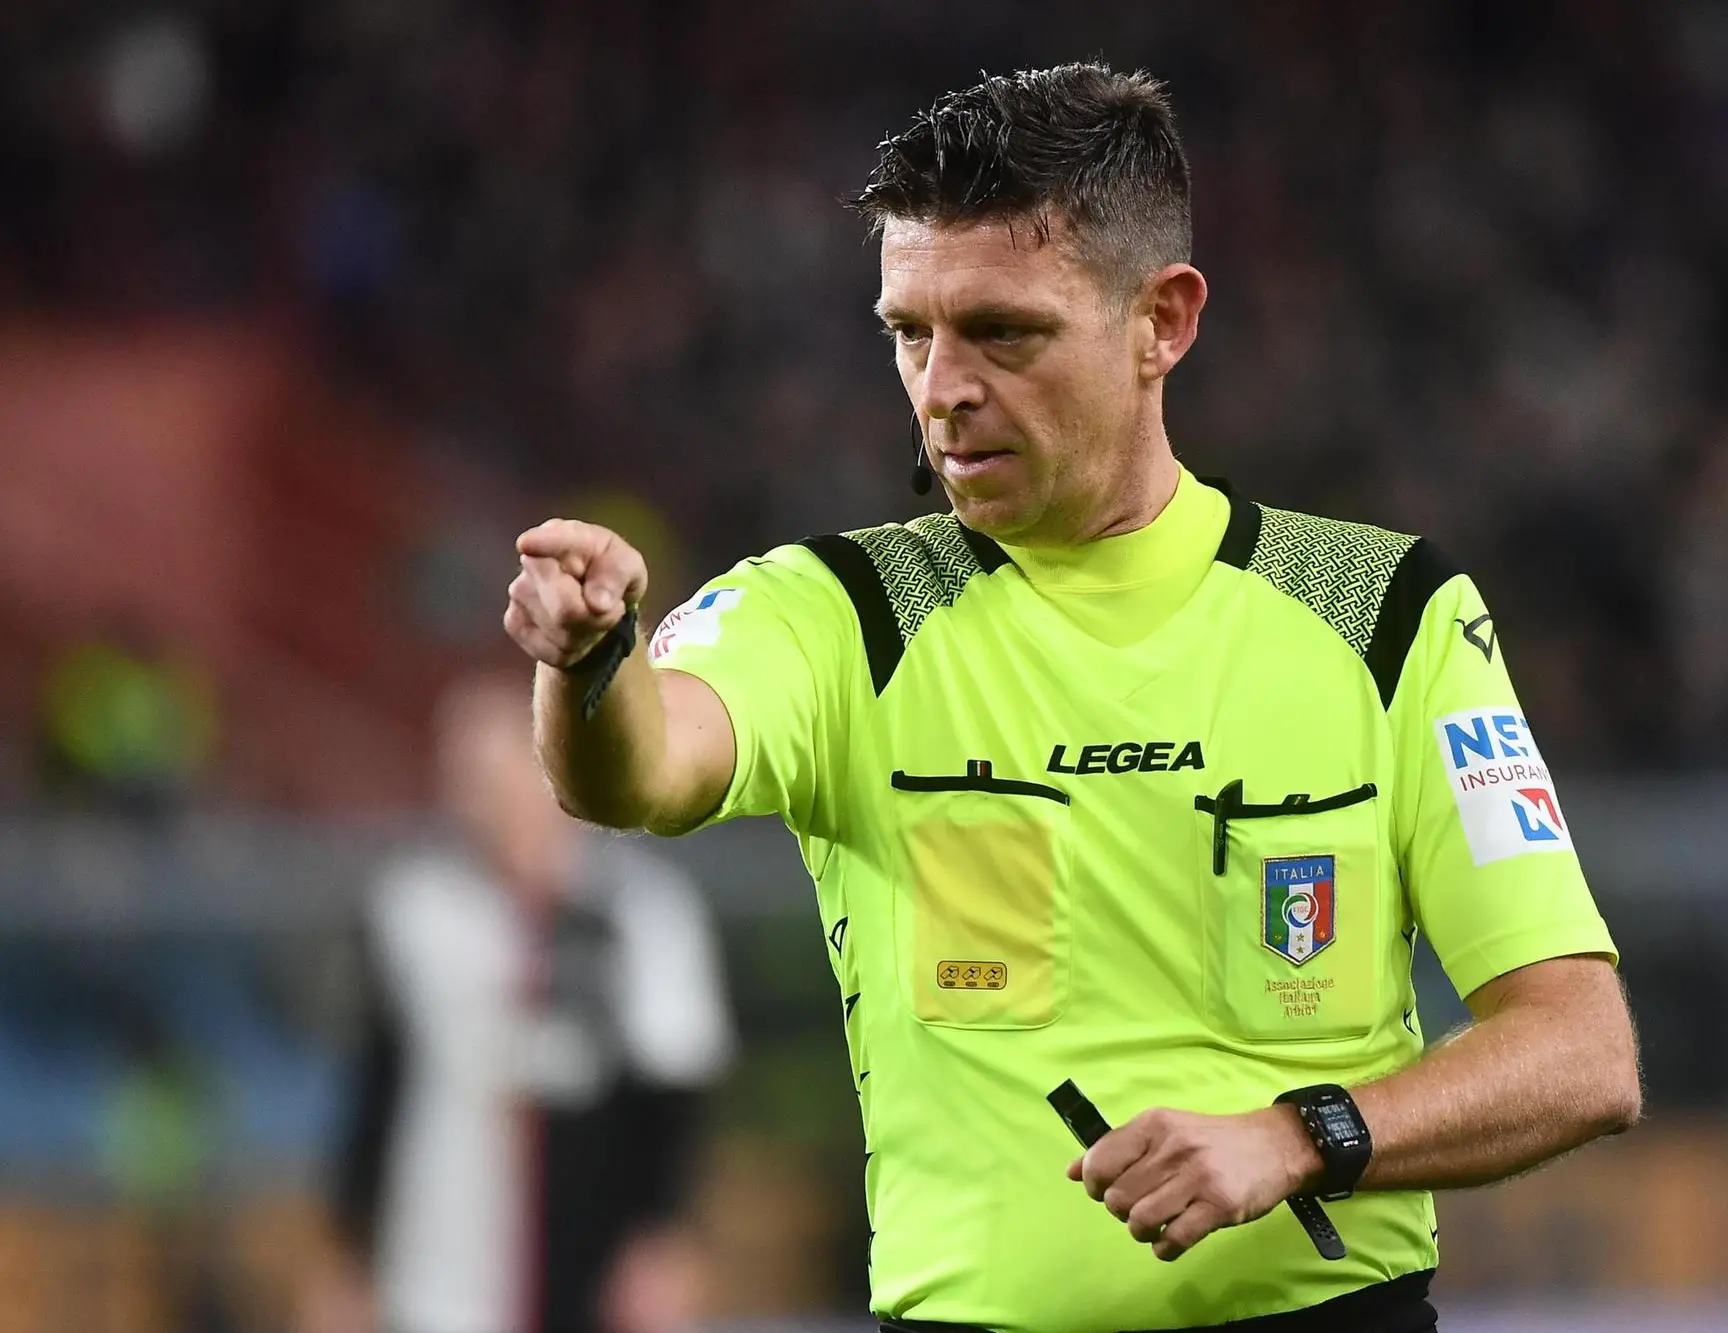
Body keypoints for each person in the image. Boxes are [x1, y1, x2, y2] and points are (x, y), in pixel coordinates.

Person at [504, 64, 1640, 1333]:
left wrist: (1300, 1135)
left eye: (1003, 331)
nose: (941, 388)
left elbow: (1580, 1053)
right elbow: (636, 772)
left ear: (1162, 320)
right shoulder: (840, 612)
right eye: (907, 333)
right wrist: (592, 660)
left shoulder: (1381, 613)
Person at [308, 673, 733, 1333]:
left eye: (497, 768)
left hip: (590, 1254)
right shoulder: (415, 910)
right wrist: (349, 1254)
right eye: (463, 774)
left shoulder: (642, 910)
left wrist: (662, 1237)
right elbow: (379, 1081)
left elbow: (675, 1087)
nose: (480, 795)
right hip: (445, 1256)